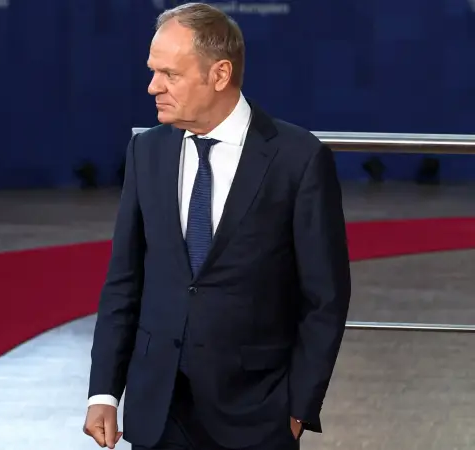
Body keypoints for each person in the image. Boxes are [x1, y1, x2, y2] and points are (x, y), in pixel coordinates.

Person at [83, 3, 351, 450]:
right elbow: (123, 282)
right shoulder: (146, 151)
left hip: (256, 415)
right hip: (156, 413)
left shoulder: (298, 158)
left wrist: (299, 408)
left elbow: (325, 297)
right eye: (153, 72)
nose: (153, 86)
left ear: (220, 74)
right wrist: (104, 393)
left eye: (170, 74)